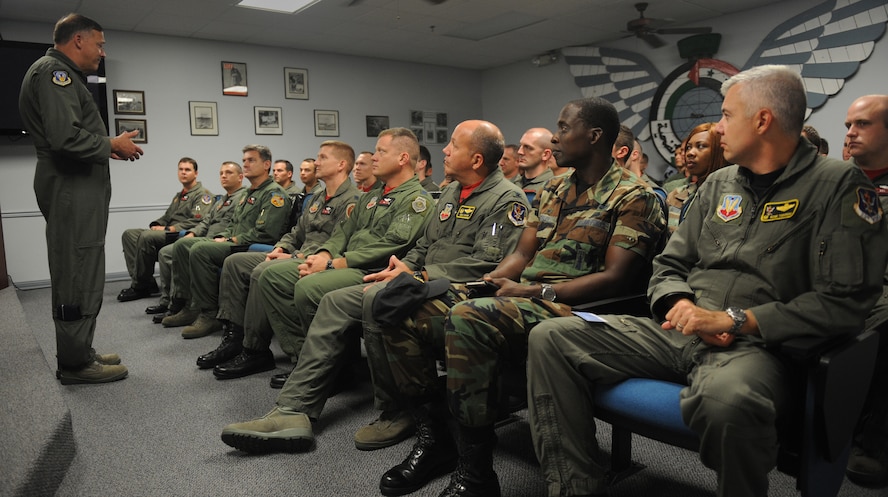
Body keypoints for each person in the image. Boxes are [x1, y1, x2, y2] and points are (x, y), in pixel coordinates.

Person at [526, 65, 887, 497]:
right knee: (551, 337)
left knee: (728, 402)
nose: (719, 128)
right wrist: (676, 301)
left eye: (726, 115)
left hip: (756, 346)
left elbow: (846, 301)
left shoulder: (835, 185)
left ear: (762, 120)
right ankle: (574, 487)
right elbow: (669, 264)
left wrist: (738, 321)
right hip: (679, 329)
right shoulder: (719, 184)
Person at [378, 98, 666, 497]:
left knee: (467, 317)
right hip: (522, 296)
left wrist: (531, 290)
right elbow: (522, 254)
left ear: (594, 136)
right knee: (400, 307)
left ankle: (476, 472)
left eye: (564, 128)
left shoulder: (634, 195)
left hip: (574, 308)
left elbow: (616, 279)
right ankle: (436, 439)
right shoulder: (554, 188)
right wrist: (491, 280)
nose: (555, 136)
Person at [218, 120, 530, 455]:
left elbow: (485, 263)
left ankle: (398, 409)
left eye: (453, 144)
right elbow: (425, 244)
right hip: (421, 279)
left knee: (375, 298)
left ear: (477, 160)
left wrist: (419, 275)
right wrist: (406, 266)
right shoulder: (453, 192)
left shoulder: (506, 199)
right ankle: (294, 409)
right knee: (336, 301)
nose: (445, 149)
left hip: (461, 288)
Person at [211, 128, 435, 380]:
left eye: (381, 151)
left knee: (306, 286)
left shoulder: (417, 199)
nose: (374, 157)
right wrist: (324, 255)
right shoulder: (372, 197)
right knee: (273, 277)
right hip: (346, 263)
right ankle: (309, 359)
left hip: (375, 270)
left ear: (403, 159)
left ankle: (327, 367)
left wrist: (333, 263)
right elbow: (343, 232)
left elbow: (390, 245)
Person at [18, 13, 143, 384]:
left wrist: (107, 150)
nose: (102, 53)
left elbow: (70, 136)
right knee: (76, 272)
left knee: (83, 266)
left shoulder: (61, 75)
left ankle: (80, 348)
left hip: (76, 187)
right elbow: (63, 137)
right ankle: (74, 363)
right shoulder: (55, 75)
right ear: (78, 41)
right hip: (71, 188)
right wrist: (109, 144)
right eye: (100, 45)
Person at [194, 141, 359, 368]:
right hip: (297, 254)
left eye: (322, 158)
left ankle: (257, 350)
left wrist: (294, 258)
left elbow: (338, 243)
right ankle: (234, 339)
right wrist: (281, 248)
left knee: (264, 271)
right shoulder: (319, 197)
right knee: (235, 262)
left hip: (316, 261)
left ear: (341, 165)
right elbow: (296, 232)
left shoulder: (353, 199)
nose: (316, 162)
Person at [161, 145, 291, 338]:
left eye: (251, 160)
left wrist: (232, 238)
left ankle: (209, 314)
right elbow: (233, 224)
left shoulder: (274, 194)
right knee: (182, 245)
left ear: (266, 165)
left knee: (200, 250)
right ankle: (188, 305)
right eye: (244, 160)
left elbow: (265, 233)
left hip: (249, 246)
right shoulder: (247, 193)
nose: (245, 163)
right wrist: (226, 236)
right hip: (233, 241)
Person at [844, 94, 888, 488]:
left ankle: (873, 442)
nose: (851, 133)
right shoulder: (831, 181)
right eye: (848, 126)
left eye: (863, 124)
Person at [145, 162, 246, 320]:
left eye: (228, 173)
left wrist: (221, 238)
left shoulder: (242, 198)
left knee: (177, 249)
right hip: (205, 237)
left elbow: (236, 226)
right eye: (221, 173)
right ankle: (172, 301)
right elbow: (205, 222)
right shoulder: (222, 199)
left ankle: (184, 304)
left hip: (220, 240)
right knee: (166, 251)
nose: (223, 176)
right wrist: (192, 233)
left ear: (240, 177)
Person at [118, 157, 214, 302]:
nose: (183, 173)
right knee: (129, 234)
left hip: (180, 234)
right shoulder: (179, 196)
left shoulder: (203, 196)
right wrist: (156, 224)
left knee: (146, 237)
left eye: (187, 170)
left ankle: (139, 286)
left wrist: (168, 228)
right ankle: (147, 282)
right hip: (167, 232)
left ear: (196, 173)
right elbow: (167, 216)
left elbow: (197, 220)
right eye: (180, 169)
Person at [664, 122, 728, 233]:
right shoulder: (676, 196)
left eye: (701, 146)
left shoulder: (733, 195)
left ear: (719, 150)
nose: (689, 153)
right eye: (688, 147)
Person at [515, 128, 556, 200]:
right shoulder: (513, 183)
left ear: (545, 154)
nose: (520, 152)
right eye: (520, 146)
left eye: (527, 147)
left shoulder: (554, 188)